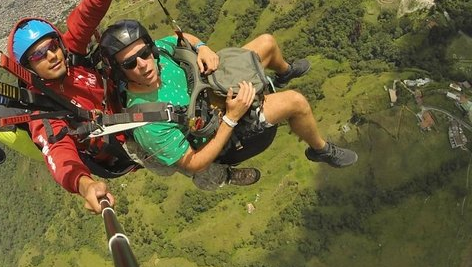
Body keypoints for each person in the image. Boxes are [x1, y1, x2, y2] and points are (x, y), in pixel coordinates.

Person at [98, 19, 358, 187]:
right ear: (120, 71)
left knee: (267, 42)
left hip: (213, 87)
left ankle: (284, 72)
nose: (143, 65)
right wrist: (231, 117)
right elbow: (194, 164)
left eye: (144, 54)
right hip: (220, 131)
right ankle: (320, 149)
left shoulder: (160, 54)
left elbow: (180, 36)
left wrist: (202, 47)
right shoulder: (149, 123)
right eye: (130, 63)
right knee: (296, 102)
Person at [7, 0, 136, 214]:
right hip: (125, 145)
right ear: (27, 68)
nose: (52, 55)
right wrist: (85, 185)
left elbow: (87, 14)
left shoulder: (70, 54)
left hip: (128, 104)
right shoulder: (44, 109)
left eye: (52, 46)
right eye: (39, 55)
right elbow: (59, 153)